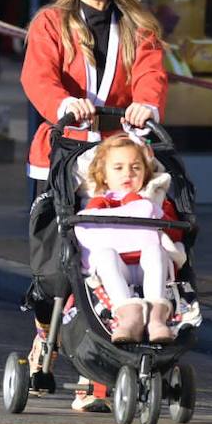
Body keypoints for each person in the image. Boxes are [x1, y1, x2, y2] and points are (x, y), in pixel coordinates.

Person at [20, 0, 168, 410]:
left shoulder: (139, 27)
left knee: (108, 265)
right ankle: (47, 332)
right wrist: (63, 103)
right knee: (56, 271)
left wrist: (145, 104)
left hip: (117, 161)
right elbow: (37, 76)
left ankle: (97, 376)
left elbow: (150, 74)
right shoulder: (52, 22)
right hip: (62, 155)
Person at [77, 134, 185, 344]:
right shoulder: (98, 201)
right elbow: (87, 231)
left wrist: (144, 204)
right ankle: (129, 315)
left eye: (136, 168)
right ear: (104, 175)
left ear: (145, 173)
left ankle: (156, 317)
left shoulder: (155, 197)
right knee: (106, 254)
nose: (127, 173)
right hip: (117, 272)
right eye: (118, 168)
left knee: (155, 249)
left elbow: (175, 232)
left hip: (151, 269)